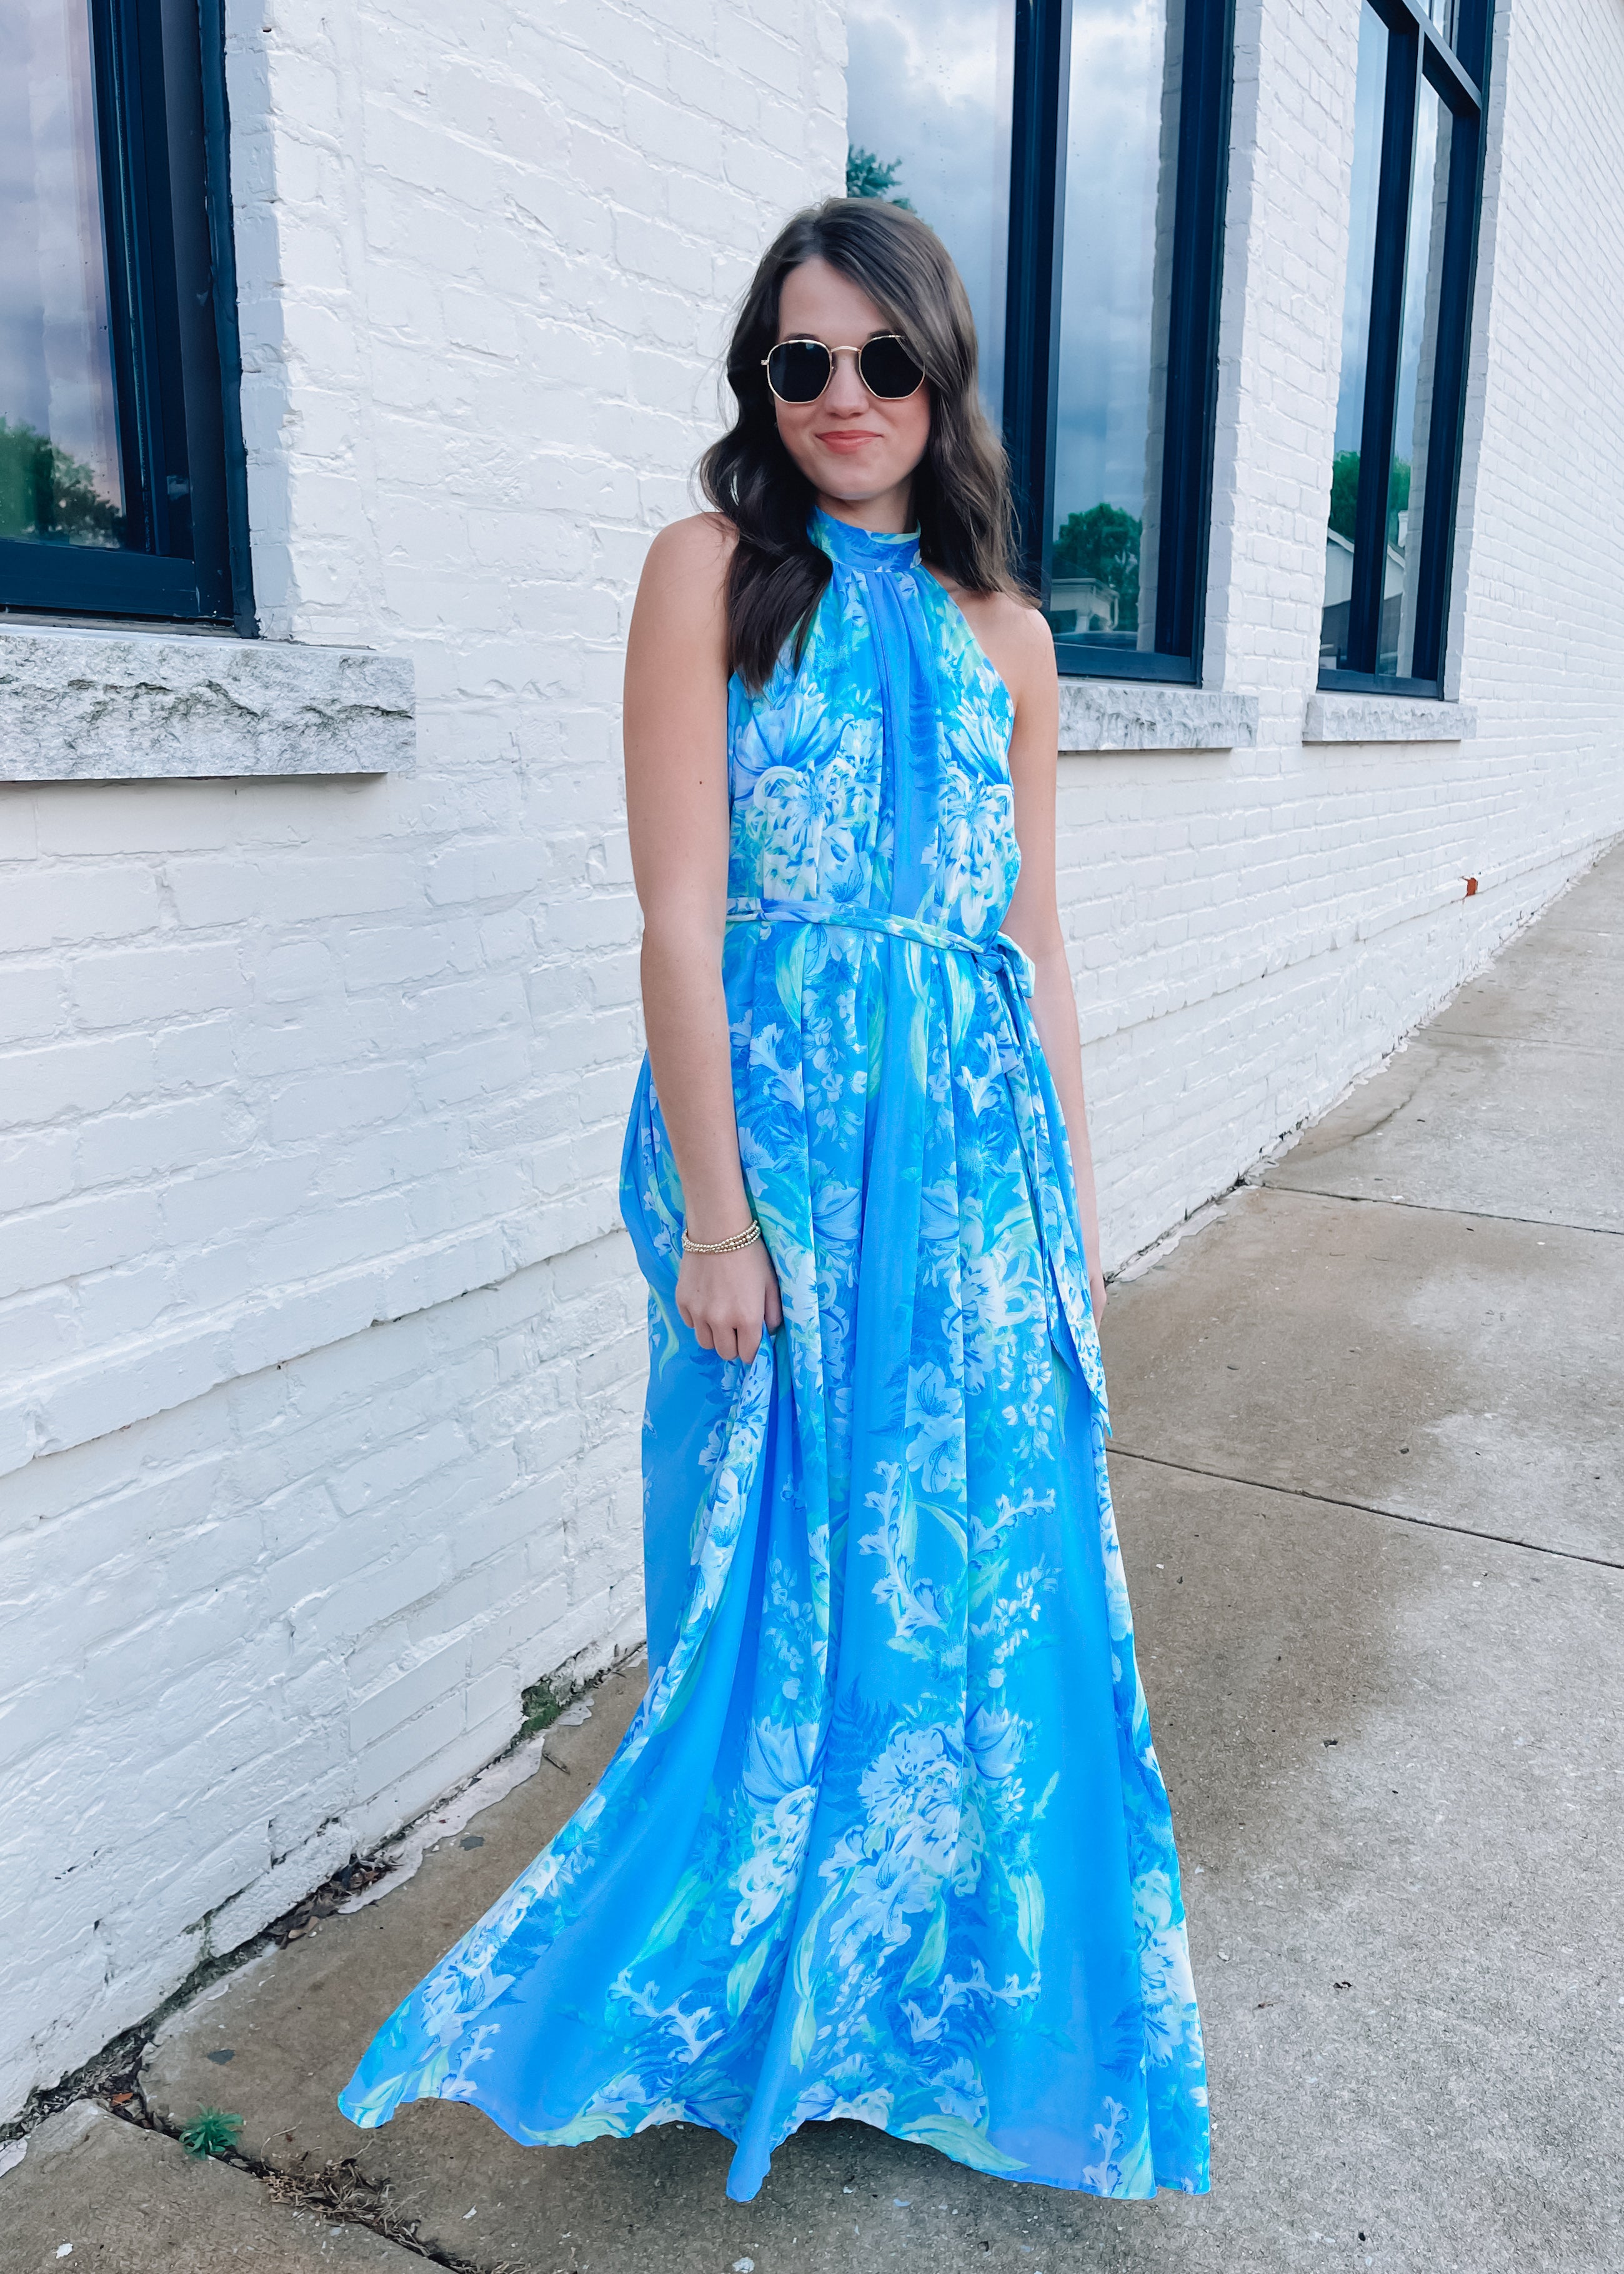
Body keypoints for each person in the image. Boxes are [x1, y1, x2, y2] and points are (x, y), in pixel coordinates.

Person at [338, 199, 1209, 2204]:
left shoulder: (1014, 638)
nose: (843, 397)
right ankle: (746, 1996)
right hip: (784, 1165)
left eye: (883, 361)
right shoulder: (708, 571)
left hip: (978, 1176)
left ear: (941, 377)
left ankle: (923, 1998)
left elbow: (1034, 945)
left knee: (976, 1584)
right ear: (762, 379)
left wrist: (1071, 1226)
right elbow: (677, 917)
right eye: (801, 361)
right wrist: (718, 1224)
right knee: (766, 1575)